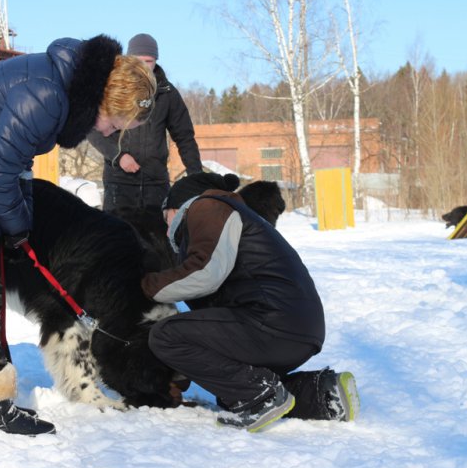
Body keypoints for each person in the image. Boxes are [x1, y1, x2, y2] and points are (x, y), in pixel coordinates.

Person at [0, 35, 157, 436]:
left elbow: (13, 169)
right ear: (106, 105)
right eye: (117, 125)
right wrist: (18, 229)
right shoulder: (49, 96)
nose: (111, 133)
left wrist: (21, 220)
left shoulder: (61, 85)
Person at [142, 172, 359, 432]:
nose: (166, 228)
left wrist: (144, 287)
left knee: (166, 335)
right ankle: (323, 394)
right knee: (232, 392)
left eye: (165, 216)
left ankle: (261, 397)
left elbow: (204, 274)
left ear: (175, 207)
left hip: (269, 322)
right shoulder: (238, 216)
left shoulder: (206, 206)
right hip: (298, 331)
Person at [88, 33, 203, 212]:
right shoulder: (114, 88)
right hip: (119, 183)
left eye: (148, 61)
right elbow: (91, 128)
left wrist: (196, 176)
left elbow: (185, 137)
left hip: (156, 185)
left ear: (156, 60)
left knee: (159, 238)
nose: (143, 66)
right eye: (138, 60)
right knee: (118, 237)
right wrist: (118, 156)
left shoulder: (167, 93)